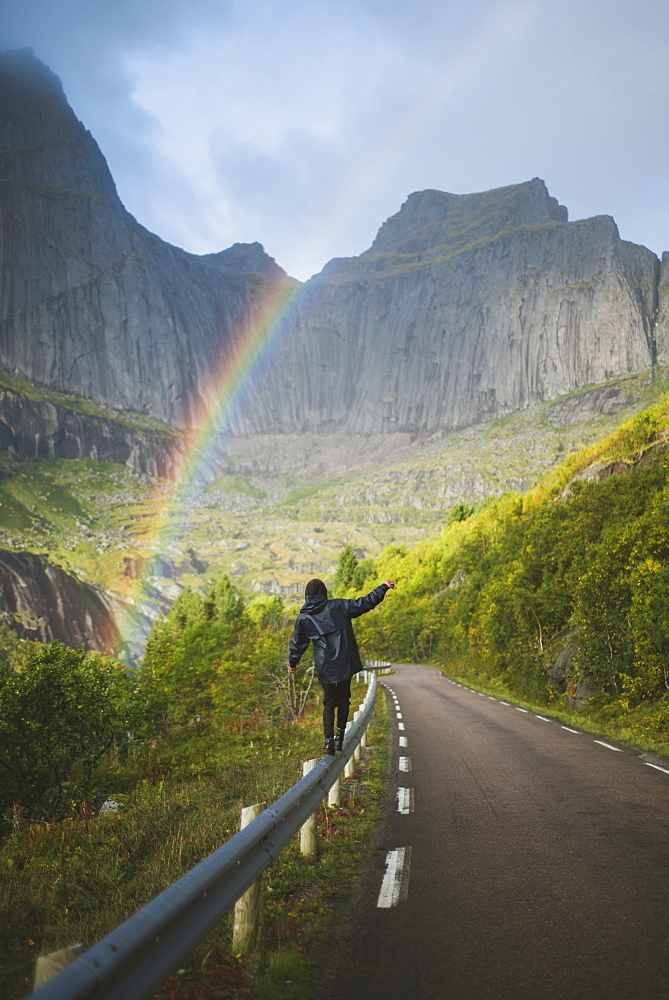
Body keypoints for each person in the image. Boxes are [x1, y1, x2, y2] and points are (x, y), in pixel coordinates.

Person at [288, 577, 395, 755]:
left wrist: (293, 662)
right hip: (345, 660)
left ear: (306, 595)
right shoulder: (338, 606)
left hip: (325, 664)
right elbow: (364, 603)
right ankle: (340, 738)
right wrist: (382, 587)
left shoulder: (304, 618)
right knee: (344, 698)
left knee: (329, 702)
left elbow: (298, 643)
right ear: (324, 593)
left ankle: (328, 742)